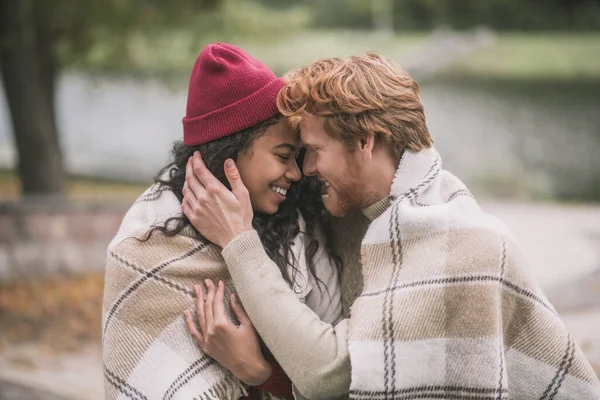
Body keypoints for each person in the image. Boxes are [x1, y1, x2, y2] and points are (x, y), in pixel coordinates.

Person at [182, 53, 600, 399]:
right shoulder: (376, 215)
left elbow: (328, 374)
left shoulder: (452, 246)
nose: (306, 169)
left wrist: (239, 241)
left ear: (365, 141)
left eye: (312, 151)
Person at [102, 43, 343, 400]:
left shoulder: (300, 231)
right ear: (229, 153)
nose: (295, 173)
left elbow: (336, 376)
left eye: (299, 157)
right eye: (283, 156)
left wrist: (260, 372)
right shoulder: (146, 239)